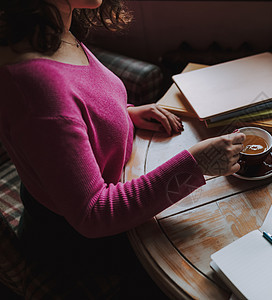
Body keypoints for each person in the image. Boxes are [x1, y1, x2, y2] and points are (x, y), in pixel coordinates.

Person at [0, 0, 245, 298]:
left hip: (104, 206)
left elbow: (74, 111)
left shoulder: (53, 23)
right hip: (83, 249)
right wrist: (195, 164)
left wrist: (124, 114)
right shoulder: (35, 86)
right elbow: (93, 214)